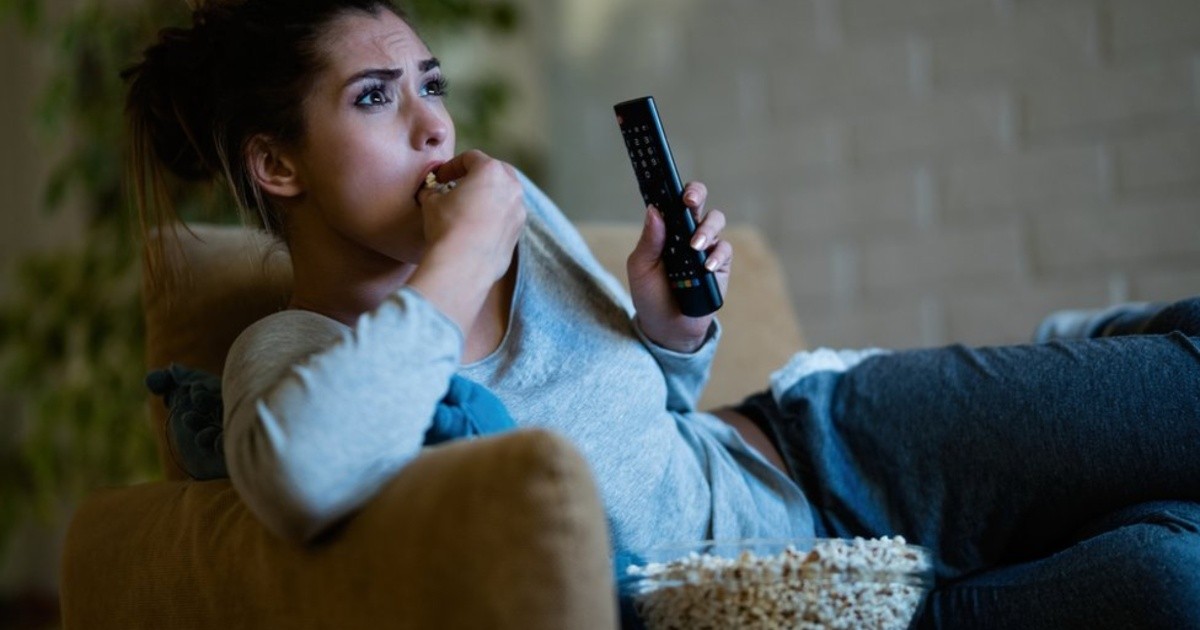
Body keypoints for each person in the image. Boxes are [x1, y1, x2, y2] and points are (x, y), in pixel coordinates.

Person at [123, 0, 1200, 627]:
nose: (433, 127)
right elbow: (305, 477)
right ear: (277, 165)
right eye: (374, 97)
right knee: (1169, 580)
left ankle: (1102, 346)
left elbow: (661, 411)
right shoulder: (293, 350)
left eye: (431, 83)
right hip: (802, 600)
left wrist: (667, 329)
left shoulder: (510, 212)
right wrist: (459, 261)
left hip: (827, 449)